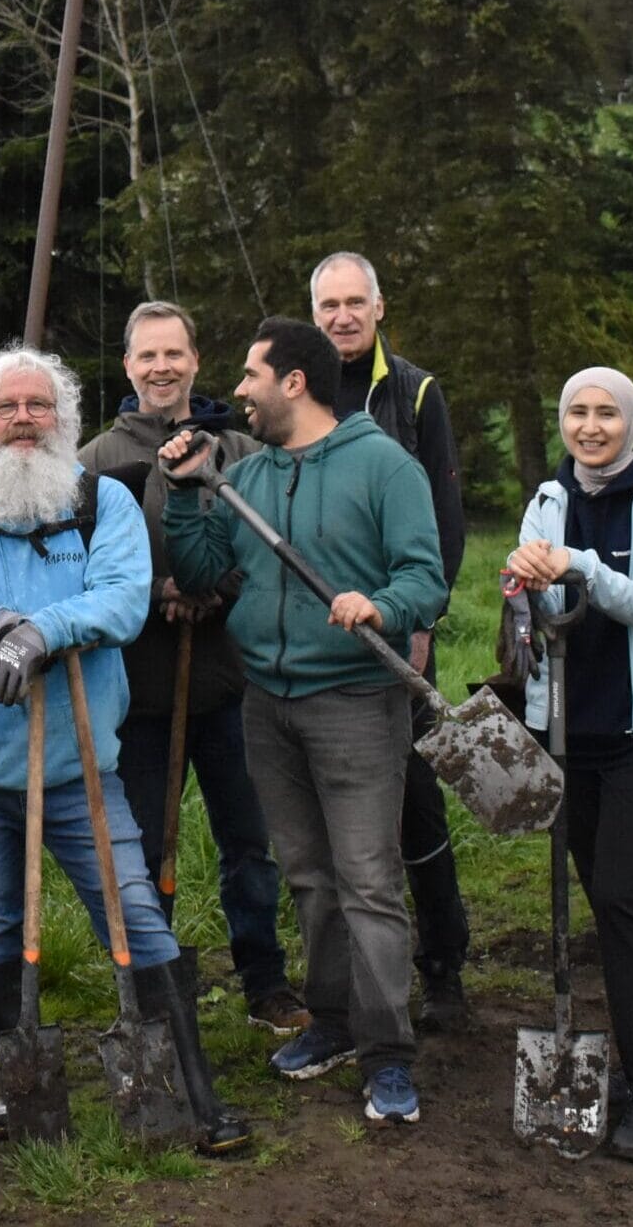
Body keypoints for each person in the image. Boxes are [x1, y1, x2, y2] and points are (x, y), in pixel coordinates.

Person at [0, 345, 249, 1155]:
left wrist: (41, 633)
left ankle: (195, 1099)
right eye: (6, 408)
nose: (23, 420)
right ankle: (21, 1083)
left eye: (39, 406)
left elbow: (123, 601)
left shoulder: (104, 504)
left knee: (134, 917)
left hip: (79, 771)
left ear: (64, 420)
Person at [162, 316, 447, 1125]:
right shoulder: (246, 479)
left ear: (294, 382)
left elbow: (423, 577)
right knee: (310, 878)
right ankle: (333, 1021)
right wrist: (187, 495)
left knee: (368, 882)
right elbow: (206, 571)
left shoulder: (383, 466)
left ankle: (389, 1054)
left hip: (356, 701)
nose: (239, 390)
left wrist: (383, 606)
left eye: (252, 375)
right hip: (268, 704)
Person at [76, 301, 306, 1035]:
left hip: (235, 683)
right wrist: (156, 595)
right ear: (128, 367)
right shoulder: (95, 462)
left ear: (196, 360)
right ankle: (154, 989)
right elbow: (81, 574)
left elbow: (270, 546)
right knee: (144, 845)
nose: (161, 368)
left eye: (174, 354)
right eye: (147, 356)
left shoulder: (241, 450)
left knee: (249, 840)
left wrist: (218, 591)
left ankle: (263, 978)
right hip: (141, 691)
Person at [505, 366, 633, 1165]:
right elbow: (542, 613)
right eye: (577, 413)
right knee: (605, 903)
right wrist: (524, 590)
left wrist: (576, 566)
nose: (591, 427)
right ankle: (624, 1072)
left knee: (626, 897)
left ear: (630, 421)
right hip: (570, 735)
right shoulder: (550, 501)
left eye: (606, 414)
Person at [312, 251, 474, 1033]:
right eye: (328, 305)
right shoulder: (297, 385)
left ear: (380, 309)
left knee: (415, 797)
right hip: (318, 634)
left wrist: (419, 626)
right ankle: (342, 985)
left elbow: (445, 520)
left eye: (354, 303)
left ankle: (444, 967)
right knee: (331, 817)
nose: (342, 317)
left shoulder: (413, 392)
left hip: (400, 629)